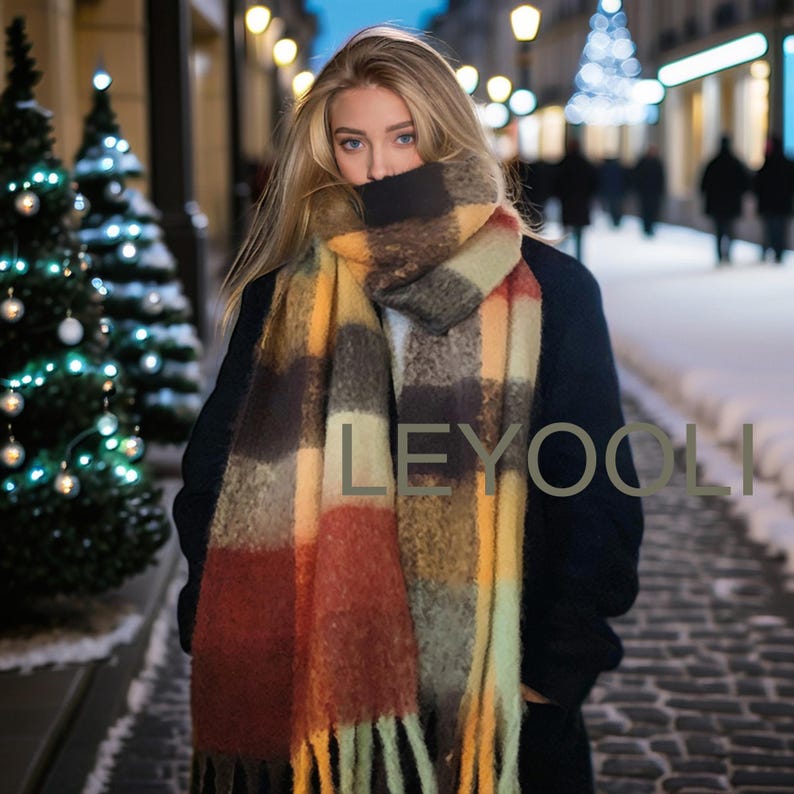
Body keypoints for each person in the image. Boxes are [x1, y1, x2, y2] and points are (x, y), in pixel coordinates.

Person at [174, 25, 644, 794]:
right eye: (352, 141)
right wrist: (230, 626)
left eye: (403, 136)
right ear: (326, 151)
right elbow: (213, 480)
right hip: (319, 706)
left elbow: (595, 496)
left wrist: (552, 676)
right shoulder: (284, 294)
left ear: (448, 137)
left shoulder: (551, 292)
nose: (379, 165)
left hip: (496, 716)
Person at [699, 135, 750, 265]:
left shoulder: (713, 163)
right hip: (731, 204)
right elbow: (746, 183)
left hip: (717, 204)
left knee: (719, 230)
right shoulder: (736, 163)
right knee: (730, 229)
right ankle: (727, 254)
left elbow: (704, 185)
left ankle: (720, 254)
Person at [552, 139, 599, 262]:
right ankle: (578, 256)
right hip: (581, 203)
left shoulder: (563, 163)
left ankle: (565, 256)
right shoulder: (585, 164)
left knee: (566, 230)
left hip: (567, 202)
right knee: (579, 232)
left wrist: (559, 195)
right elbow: (593, 183)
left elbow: (556, 183)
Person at [753, 135, 794, 263]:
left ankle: (770, 250)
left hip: (769, 206)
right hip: (782, 205)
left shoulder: (767, 164)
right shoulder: (788, 165)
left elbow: (757, 185)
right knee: (780, 230)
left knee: (770, 229)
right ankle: (778, 253)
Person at [632, 145, 666, 237]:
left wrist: (661, 191)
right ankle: (646, 227)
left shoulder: (657, 163)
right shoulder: (642, 162)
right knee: (645, 210)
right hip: (644, 192)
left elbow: (661, 178)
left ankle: (651, 228)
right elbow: (636, 176)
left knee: (653, 211)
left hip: (654, 193)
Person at [598, 157, 626, 228]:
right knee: (616, 206)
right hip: (617, 191)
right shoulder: (619, 167)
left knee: (613, 206)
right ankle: (616, 220)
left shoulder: (605, 168)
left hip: (611, 191)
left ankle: (615, 220)